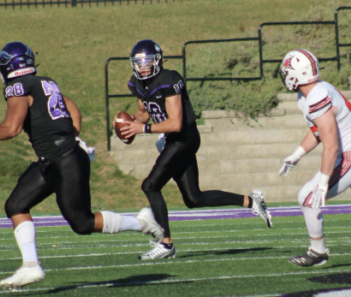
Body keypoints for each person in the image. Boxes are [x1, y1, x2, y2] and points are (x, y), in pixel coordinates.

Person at [0, 41, 164, 291]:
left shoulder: (16, 87)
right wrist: (71, 137)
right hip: (56, 159)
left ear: (8, 66)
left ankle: (142, 223)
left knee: (82, 223)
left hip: (64, 159)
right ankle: (30, 265)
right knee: (16, 205)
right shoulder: (44, 82)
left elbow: (12, 128)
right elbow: (74, 111)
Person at [114, 39, 273, 260]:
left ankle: (166, 244)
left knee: (150, 185)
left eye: (147, 62)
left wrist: (142, 129)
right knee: (193, 199)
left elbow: (175, 123)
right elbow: (143, 112)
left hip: (184, 138)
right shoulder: (137, 83)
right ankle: (251, 201)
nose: (142, 67)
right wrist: (129, 123)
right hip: (171, 140)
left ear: (157, 61)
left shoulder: (169, 80)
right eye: (138, 63)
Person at [278, 49, 351, 267]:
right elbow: (319, 132)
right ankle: (317, 251)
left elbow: (331, 145)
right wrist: (297, 154)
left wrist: (322, 182)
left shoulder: (317, 95)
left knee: (309, 198)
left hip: (348, 154)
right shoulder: (309, 95)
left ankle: (318, 252)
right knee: (307, 198)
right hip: (345, 153)